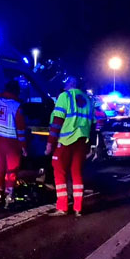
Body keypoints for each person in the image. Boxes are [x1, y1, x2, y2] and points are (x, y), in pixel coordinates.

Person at [44, 76, 95, 216]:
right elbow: (93, 125)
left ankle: (62, 207)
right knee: (77, 173)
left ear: (70, 84)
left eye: (66, 83)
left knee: (59, 172)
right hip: (82, 141)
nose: (64, 86)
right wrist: (91, 145)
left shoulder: (65, 96)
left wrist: (50, 143)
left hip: (65, 141)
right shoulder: (88, 100)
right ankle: (78, 207)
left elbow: (57, 121)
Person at [0, 80, 28, 208]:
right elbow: (20, 129)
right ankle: (9, 196)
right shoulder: (17, 106)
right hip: (12, 141)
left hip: (0, 139)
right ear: (17, 91)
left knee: (0, 166)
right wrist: (24, 147)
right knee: (12, 168)